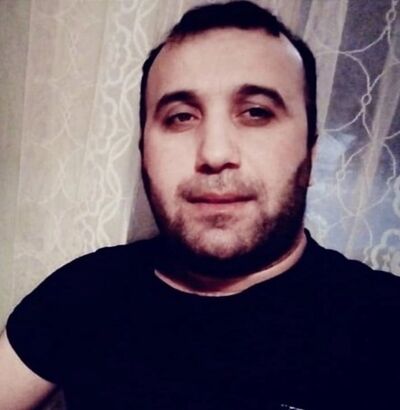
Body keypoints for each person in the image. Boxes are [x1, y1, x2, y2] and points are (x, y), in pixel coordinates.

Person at [1, 1, 399, 409]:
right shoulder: (83, 292)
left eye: (256, 112)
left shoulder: (384, 323)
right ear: (144, 154)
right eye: (181, 117)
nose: (214, 152)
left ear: (310, 155)